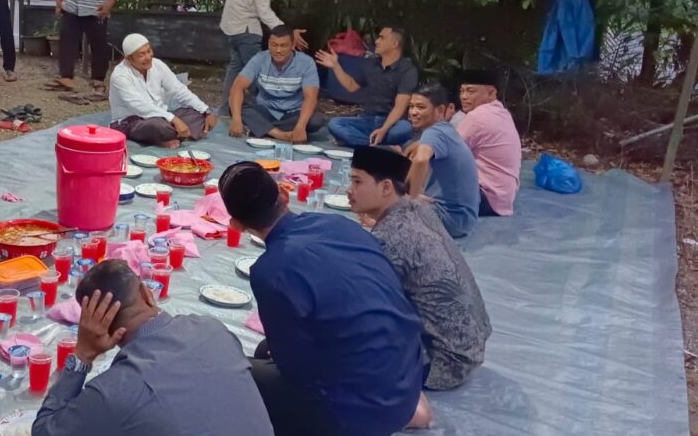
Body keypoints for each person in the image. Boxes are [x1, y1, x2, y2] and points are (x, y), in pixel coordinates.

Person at [219, 161, 431, 436]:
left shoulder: (271, 272)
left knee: (233, 375)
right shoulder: (338, 224)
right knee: (265, 350)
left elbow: (295, 370)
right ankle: (402, 407)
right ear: (284, 195)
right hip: (406, 376)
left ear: (236, 225)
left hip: (353, 413)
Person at [32, 260, 274, 436]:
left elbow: (44, 431)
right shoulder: (213, 329)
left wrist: (82, 355)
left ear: (92, 325)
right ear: (147, 294)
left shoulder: (113, 391)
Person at [347, 146, 492, 390]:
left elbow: (367, 308)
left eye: (357, 182)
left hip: (443, 363)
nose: (349, 190)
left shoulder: (391, 237)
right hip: (472, 345)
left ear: (385, 188)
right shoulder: (418, 210)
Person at [219, 0, 309, 117]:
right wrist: (288, 34)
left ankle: (224, 113)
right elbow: (263, 11)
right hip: (246, 29)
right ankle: (266, 117)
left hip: (234, 26)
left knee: (236, 71)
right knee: (260, 77)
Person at [109, 33, 218, 148]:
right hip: (132, 121)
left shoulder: (157, 65)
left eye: (149, 51)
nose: (148, 57)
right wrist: (173, 119)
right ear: (129, 59)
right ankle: (166, 137)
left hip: (162, 116)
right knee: (159, 126)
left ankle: (170, 136)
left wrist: (206, 111)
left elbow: (179, 90)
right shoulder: (120, 76)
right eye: (142, 55)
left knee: (198, 116)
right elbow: (140, 106)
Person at [318, 26, 418, 146]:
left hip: (393, 123)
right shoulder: (372, 65)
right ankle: (376, 146)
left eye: (382, 38)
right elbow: (351, 86)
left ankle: (362, 142)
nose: (377, 41)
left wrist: (383, 129)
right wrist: (335, 66)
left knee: (404, 128)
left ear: (395, 43)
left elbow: (400, 107)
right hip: (368, 120)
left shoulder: (407, 70)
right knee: (335, 124)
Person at [405, 84, 481, 238]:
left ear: (440, 110)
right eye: (411, 106)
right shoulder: (446, 131)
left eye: (420, 107)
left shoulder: (434, 132)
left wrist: (411, 198)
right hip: (464, 220)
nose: (413, 112)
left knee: (382, 200)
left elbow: (420, 160)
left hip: (449, 219)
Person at [228, 25, 324, 142]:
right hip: (265, 111)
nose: (278, 50)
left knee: (316, 120)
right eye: (274, 45)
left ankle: (262, 128)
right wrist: (237, 120)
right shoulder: (260, 58)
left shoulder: (306, 63)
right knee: (237, 108)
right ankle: (280, 134)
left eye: (283, 45)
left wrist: (301, 126)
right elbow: (237, 86)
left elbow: (311, 97)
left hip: (293, 114)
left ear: (293, 45)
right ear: (269, 44)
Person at [456, 69, 522, 216]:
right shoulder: (501, 112)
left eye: (471, 91)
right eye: (462, 91)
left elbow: (445, 152)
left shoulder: (477, 116)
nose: (464, 97)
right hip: (503, 197)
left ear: (491, 93)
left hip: (485, 196)